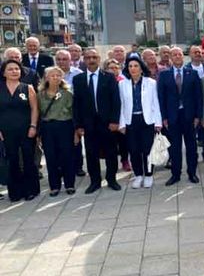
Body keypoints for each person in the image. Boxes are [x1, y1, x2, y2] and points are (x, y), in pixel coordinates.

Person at [72, 49, 122, 194]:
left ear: (99, 59)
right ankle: (95, 182)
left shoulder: (109, 77)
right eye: (88, 58)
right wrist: (78, 125)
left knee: (111, 152)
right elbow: (77, 104)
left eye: (94, 57)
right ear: (84, 60)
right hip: (88, 124)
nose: (91, 60)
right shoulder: (79, 79)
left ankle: (112, 179)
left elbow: (116, 100)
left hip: (108, 123)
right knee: (91, 153)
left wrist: (114, 120)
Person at [158, 47, 203, 185]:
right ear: (170, 57)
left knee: (191, 147)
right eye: (174, 55)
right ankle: (175, 175)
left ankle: (192, 173)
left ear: (183, 57)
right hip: (172, 117)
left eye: (179, 54)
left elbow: (198, 97)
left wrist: (198, 116)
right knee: (174, 148)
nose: (177, 56)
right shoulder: (164, 75)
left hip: (189, 116)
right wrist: (164, 117)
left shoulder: (192, 73)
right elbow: (161, 98)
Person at [118, 56, 162, 188]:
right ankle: (138, 175)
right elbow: (120, 105)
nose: (133, 68)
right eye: (130, 66)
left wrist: (158, 122)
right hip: (130, 120)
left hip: (147, 120)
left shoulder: (151, 83)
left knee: (148, 149)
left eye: (136, 66)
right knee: (134, 149)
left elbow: (156, 103)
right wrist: (121, 123)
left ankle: (148, 175)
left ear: (141, 68)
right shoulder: (122, 84)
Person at [0, 60, 40, 202]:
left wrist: (33, 126)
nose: (14, 71)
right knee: (12, 160)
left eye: (16, 69)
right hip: (6, 131)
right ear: (4, 72)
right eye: (10, 69)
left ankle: (30, 190)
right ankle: (15, 192)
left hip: (26, 129)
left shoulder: (27, 88)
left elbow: (35, 108)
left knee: (29, 159)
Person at [38, 66, 76, 196]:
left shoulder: (67, 94)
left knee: (67, 156)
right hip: (48, 127)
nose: (55, 78)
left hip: (64, 126)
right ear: (46, 78)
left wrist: (76, 132)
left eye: (58, 75)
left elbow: (73, 113)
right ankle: (54, 186)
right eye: (52, 75)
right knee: (50, 156)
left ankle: (69, 184)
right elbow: (38, 113)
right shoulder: (40, 95)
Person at [186, 45, 204, 162]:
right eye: (195, 52)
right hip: (192, 106)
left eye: (200, 52)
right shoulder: (186, 69)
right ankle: (193, 157)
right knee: (192, 133)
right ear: (190, 54)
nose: (198, 54)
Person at [104, 58, 130, 172]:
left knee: (123, 141)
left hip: (122, 115)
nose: (114, 70)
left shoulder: (124, 80)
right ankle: (112, 164)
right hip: (108, 116)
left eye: (116, 68)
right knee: (111, 142)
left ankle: (125, 160)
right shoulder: (103, 80)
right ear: (106, 69)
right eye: (111, 68)